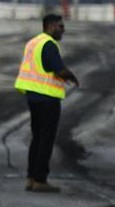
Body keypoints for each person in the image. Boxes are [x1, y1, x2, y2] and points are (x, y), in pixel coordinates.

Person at [14, 13, 79, 193]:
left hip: (32, 95)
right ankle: (40, 179)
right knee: (46, 139)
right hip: (47, 97)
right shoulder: (49, 44)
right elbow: (58, 69)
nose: (63, 30)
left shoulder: (33, 42)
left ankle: (30, 177)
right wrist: (73, 78)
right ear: (50, 27)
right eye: (60, 26)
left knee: (37, 137)